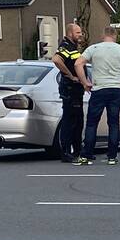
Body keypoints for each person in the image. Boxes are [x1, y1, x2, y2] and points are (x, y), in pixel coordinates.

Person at [73, 26, 120, 166]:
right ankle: (112, 156)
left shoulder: (94, 49)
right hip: (116, 89)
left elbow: (78, 64)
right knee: (113, 123)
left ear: (103, 35)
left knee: (92, 123)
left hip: (99, 88)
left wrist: (85, 82)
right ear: (115, 36)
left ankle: (86, 155)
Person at [52, 23, 85, 162]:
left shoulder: (73, 47)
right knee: (70, 121)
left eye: (80, 32)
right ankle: (66, 152)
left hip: (76, 90)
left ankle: (77, 151)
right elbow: (56, 59)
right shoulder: (66, 46)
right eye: (78, 33)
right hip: (70, 89)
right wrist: (70, 75)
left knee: (78, 121)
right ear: (70, 33)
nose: (80, 35)